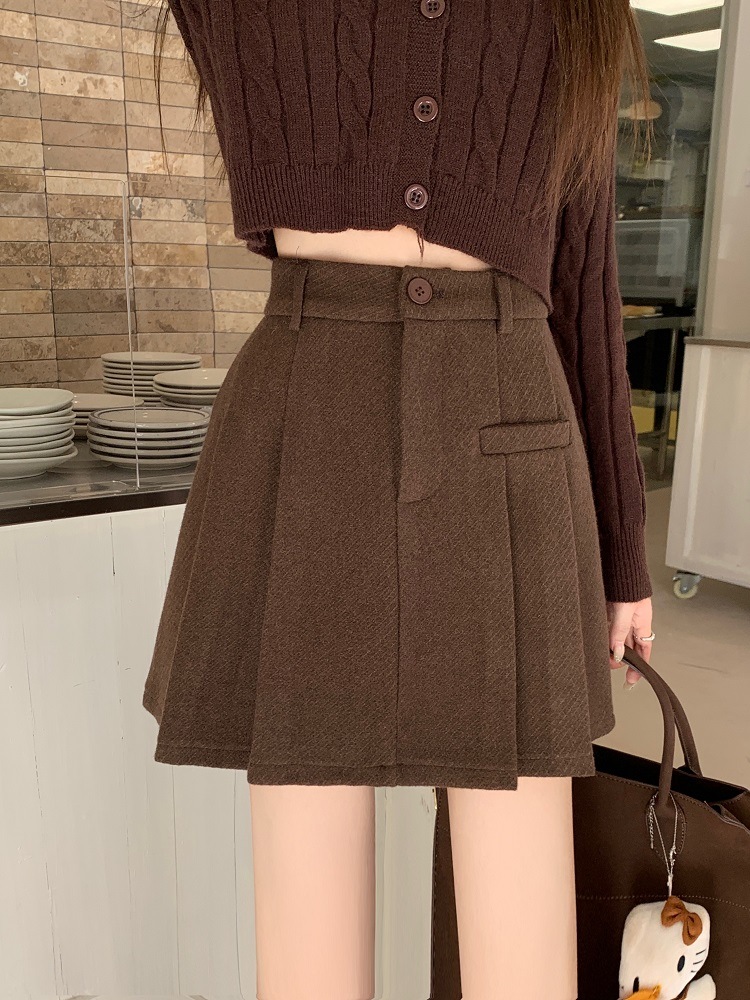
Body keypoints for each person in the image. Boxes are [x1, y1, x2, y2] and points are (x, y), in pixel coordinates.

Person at [143, 2, 656, 997]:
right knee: (306, 908)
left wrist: (623, 552)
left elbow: (585, 269)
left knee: (522, 924)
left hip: (510, 416)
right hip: (306, 416)